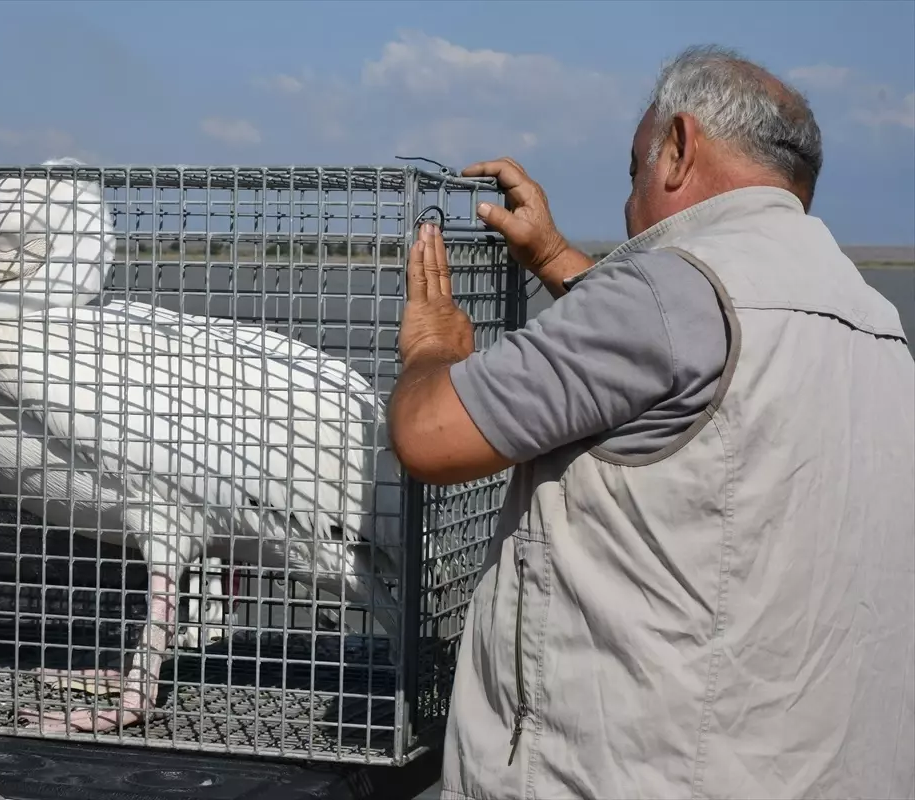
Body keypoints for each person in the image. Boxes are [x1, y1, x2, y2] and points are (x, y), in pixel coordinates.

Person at [388, 44, 915, 800]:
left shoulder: (667, 292)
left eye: (632, 170)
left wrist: (434, 348)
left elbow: (428, 436)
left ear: (678, 148)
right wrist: (554, 256)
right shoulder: (871, 317)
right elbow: (678, 364)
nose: (630, 202)